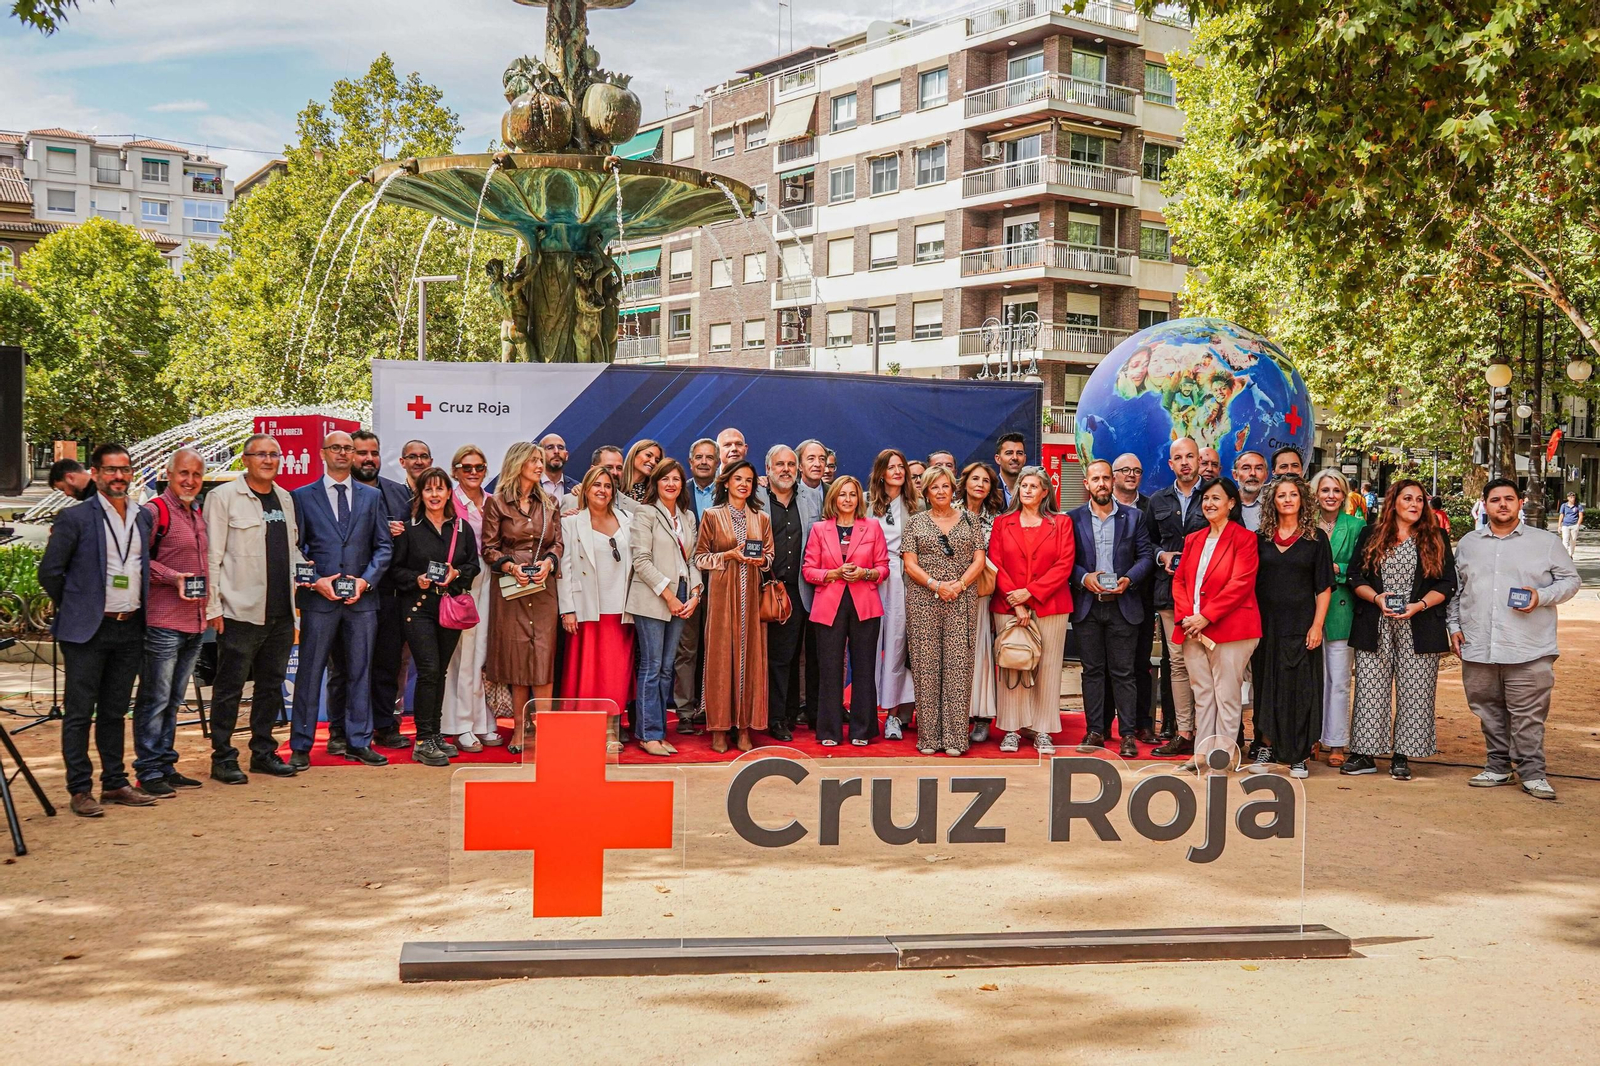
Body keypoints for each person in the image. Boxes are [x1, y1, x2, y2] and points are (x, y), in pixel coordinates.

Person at [37, 443, 157, 815]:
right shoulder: (75, 518)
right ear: (96, 473)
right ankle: (79, 789)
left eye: (124, 469)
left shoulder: (142, 517)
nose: (118, 476)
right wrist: (79, 606)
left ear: (131, 473)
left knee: (115, 710)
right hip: (87, 632)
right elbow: (50, 573)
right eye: (110, 470)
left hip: (129, 628)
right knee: (78, 713)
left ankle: (115, 783)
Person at [1450, 479, 1580, 800]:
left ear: (1520, 503)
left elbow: (1571, 580)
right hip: (1479, 644)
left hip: (1529, 646)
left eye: (1509, 499)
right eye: (1496, 500)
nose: (1503, 505)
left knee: (1528, 715)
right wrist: (1453, 626)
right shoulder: (1469, 543)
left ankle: (1533, 772)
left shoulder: (1545, 542)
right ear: (1485, 504)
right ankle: (1498, 766)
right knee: (1487, 709)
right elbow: (1455, 591)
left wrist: (1542, 595)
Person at [203, 435, 306, 784]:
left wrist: (311, 576)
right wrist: (213, 607)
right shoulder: (223, 498)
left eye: (274, 454)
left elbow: (292, 551)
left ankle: (263, 752)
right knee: (229, 687)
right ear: (244, 460)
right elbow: (211, 557)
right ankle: (223, 757)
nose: (268, 460)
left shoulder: (285, 498)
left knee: (270, 685)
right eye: (260, 454)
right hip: (239, 611)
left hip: (280, 611)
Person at [289, 431, 394, 769]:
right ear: (323, 453)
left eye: (348, 448)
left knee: (360, 671)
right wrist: (316, 582)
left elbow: (383, 546)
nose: (343, 453)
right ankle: (301, 746)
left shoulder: (371, 496)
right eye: (336, 447)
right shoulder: (302, 497)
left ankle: (358, 741)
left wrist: (366, 581)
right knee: (310, 671)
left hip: (361, 602)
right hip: (319, 601)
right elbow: (296, 548)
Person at [1342, 480, 1457, 781]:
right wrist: (1377, 598)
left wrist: (1419, 605)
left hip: (1418, 623)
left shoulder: (1436, 537)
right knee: (1369, 688)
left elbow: (1447, 583)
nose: (1415, 504)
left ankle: (1402, 756)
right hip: (1375, 623)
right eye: (1408, 498)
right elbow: (1356, 576)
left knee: (1415, 691)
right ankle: (1364, 753)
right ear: (1393, 502)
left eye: (1420, 499)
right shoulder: (1371, 534)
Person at [130, 448, 209, 797]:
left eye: (196, 474)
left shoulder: (198, 512)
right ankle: (147, 771)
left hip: (195, 621)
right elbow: (136, 559)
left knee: (175, 698)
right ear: (169, 473)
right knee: (155, 697)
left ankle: (165, 763)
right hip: (162, 619)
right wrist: (172, 576)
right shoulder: (154, 511)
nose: (190, 480)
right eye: (183, 474)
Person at [388, 467, 480, 766]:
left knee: (439, 670)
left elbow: (473, 566)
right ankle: (424, 739)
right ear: (421, 494)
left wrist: (456, 573)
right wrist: (418, 579)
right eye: (429, 490)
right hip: (418, 609)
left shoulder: (461, 529)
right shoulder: (409, 528)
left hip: (449, 607)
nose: (435, 495)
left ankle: (436, 733)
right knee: (428, 669)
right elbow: (396, 571)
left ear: (448, 492)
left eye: (440, 489)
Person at [1169, 477, 1261, 771]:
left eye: (1216, 498)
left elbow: (1241, 583)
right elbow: (1180, 580)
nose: (1209, 504)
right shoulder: (1193, 539)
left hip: (1231, 628)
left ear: (1231, 503)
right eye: (1206, 498)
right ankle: (1201, 753)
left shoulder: (1244, 539)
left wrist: (1206, 616)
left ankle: (1223, 755)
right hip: (1191, 628)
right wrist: (1186, 617)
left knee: (1227, 694)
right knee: (1202, 693)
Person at [332, 429, 415, 753]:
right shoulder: (338, 494)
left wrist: (401, 534)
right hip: (348, 594)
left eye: (374, 453)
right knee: (343, 668)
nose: (368, 459)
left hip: (390, 595)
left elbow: (413, 546)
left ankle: (385, 726)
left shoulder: (398, 494)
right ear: (349, 456)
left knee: (387, 665)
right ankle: (339, 730)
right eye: (361, 452)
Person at [1246, 476, 1333, 779]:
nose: (1287, 500)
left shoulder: (1316, 539)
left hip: (1301, 626)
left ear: (1302, 500)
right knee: (1266, 688)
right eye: (1281, 495)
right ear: (1272, 501)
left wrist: (1317, 625)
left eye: (1292, 494)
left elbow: (1324, 588)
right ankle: (1266, 746)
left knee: (1300, 690)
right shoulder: (1260, 539)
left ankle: (1298, 754)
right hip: (1265, 626)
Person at [1068, 459, 1155, 759]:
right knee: (1092, 672)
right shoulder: (1073, 519)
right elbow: (1066, 562)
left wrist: (1129, 579)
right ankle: (1095, 731)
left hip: (1123, 604)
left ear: (1113, 481)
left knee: (1124, 673)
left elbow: (1145, 556)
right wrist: (1083, 577)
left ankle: (1127, 735)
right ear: (1087, 484)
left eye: (1106, 478)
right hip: (1087, 606)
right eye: (1096, 479)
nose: (1102, 483)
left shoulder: (1134, 518)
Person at [481, 441, 564, 754]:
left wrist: (548, 563)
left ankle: (546, 731)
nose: (540, 465)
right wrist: (511, 566)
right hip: (511, 589)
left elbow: (557, 544)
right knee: (518, 661)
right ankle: (518, 730)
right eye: (534, 460)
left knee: (543, 657)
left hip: (543, 588)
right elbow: (488, 548)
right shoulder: (498, 503)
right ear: (517, 464)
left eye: (541, 461)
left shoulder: (550, 502)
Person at [990, 467, 1075, 754]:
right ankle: (1012, 729)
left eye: (1033, 486)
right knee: (1013, 666)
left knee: (1048, 669)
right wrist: (1018, 602)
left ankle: (1042, 730)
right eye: (1023, 485)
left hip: (1051, 605)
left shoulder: (1061, 523)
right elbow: (995, 563)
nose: (1026, 489)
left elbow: (1064, 564)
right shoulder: (1003, 523)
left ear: (1044, 492)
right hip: (1008, 605)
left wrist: (1031, 594)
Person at [903, 466, 986, 756]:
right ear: (925, 491)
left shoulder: (971, 520)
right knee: (926, 669)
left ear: (954, 490)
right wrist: (936, 585)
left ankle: (955, 739)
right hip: (923, 599)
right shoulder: (915, 522)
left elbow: (979, 559)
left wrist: (959, 585)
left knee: (957, 668)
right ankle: (928, 738)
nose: (940, 491)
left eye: (945, 486)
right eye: (934, 487)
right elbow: (909, 564)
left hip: (961, 600)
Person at [693, 459, 773, 752]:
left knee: (750, 658)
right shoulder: (712, 516)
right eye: (738, 478)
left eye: (749, 480)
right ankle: (718, 727)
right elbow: (699, 558)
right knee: (720, 658)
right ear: (726, 482)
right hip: (721, 596)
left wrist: (758, 560)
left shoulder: (761, 518)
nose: (743, 484)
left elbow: (770, 557)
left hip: (751, 598)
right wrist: (729, 556)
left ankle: (744, 728)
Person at [803, 476, 889, 746]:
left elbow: (884, 568)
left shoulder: (872, 527)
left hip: (864, 604)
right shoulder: (819, 529)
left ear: (859, 499)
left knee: (864, 668)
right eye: (843, 494)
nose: (848, 499)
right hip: (829, 604)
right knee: (829, 669)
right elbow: (808, 571)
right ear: (834, 499)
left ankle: (861, 730)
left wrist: (865, 572)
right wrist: (833, 573)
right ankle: (829, 731)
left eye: (853, 494)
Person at [558, 466, 636, 751]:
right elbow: (564, 569)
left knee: (616, 672)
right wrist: (567, 609)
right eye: (596, 486)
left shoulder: (628, 519)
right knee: (587, 673)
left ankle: (610, 731)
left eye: (607, 485)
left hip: (621, 609)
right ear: (586, 490)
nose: (602, 490)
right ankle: (581, 731)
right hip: (587, 607)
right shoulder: (571, 523)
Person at [628, 459, 701, 757]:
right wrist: (669, 595)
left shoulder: (687, 517)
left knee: (668, 669)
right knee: (652, 666)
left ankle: (658, 731)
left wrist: (695, 593)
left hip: (683, 593)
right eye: (664, 479)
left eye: (675, 479)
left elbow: (693, 560)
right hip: (653, 595)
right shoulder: (644, 513)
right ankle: (648, 735)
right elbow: (641, 561)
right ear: (655, 483)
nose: (670, 484)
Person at [1148, 438, 1208, 757]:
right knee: (1178, 662)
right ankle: (1184, 732)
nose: (1184, 462)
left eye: (1190, 456)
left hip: (1206, 598)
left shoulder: (1215, 496)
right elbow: (1147, 542)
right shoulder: (1158, 500)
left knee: (1207, 663)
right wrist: (1162, 556)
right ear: (1170, 465)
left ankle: (1208, 733)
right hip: (1170, 595)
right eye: (1177, 458)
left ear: (1199, 460)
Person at [441, 445, 501, 752]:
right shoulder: (448, 501)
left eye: (479, 467)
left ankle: (482, 720)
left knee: (480, 655)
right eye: (466, 467)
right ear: (455, 471)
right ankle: (460, 724)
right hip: (462, 583)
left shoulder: (493, 501)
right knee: (462, 657)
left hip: (491, 581)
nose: (473, 472)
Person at [760, 444, 816, 742]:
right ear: (767, 469)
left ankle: (786, 714)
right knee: (767, 657)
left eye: (791, 465)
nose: (785, 469)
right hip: (760, 589)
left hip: (797, 590)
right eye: (779, 464)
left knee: (791, 656)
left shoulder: (809, 500)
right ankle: (769, 716)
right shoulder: (755, 497)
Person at [1311, 469, 1365, 767]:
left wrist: (1336, 569)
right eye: (1325, 490)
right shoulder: (1305, 524)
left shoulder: (1356, 526)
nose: (1330, 495)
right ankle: (1312, 736)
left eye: (1336, 490)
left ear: (1344, 495)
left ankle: (1337, 742)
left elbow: (1364, 566)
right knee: (1313, 678)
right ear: (1316, 494)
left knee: (1340, 680)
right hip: (1309, 609)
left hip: (1342, 609)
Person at [868, 448, 921, 738]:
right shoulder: (866, 504)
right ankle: (866, 711)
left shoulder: (916, 505)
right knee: (870, 648)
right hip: (871, 580)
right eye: (892, 467)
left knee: (897, 648)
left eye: (901, 466)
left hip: (905, 580)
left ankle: (893, 715)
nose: (898, 471)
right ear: (881, 473)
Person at [1112, 452, 1161, 744]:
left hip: (1139, 597)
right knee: (1107, 666)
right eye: (1125, 470)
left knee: (1140, 663)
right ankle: (1103, 725)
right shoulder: (1098, 505)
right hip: (1101, 598)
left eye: (1137, 470)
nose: (1131, 475)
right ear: (1114, 475)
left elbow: (1153, 547)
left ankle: (1143, 724)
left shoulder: (1150, 507)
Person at [673, 437, 721, 731]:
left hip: (722, 581)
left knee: (719, 648)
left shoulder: (728, 492)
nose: (704, 462)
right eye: (698, 457)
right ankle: (685, 711)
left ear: (717, 463)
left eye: (709, 457)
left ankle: (714, 708)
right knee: (687, 649)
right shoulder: (679, 492)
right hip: (688, 582)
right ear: (690, 463)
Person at [959, 461, 1006, 742]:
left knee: (981, 654)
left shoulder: (996, 519)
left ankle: (982, 716)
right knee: (954, 656)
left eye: (985, 481)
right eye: (974, 479)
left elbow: (999, 559)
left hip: (981, 594)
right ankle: (955, 713)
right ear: (964, 482)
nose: (979, 484)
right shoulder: (946, 512)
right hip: (949, 593)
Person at [794, 438, 831, 728]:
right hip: (795, 585)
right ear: (799, 464)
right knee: (793, 652)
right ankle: (794, 708)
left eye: (821, 459)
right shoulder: (787, 493)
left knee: (823, 653)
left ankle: (821, 710)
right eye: (811, 458)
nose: (817, 464)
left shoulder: (835, 494)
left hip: (831, 586)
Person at [1232, 450, 1268, 532]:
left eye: (1258, 468)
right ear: (1235, 475)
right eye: (1246, 468)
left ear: (1266, 475)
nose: (1253, 473)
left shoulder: (1274, 503)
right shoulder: (1226, 504)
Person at [539, 433, 580, 499]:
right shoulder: (529, 485)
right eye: (550, 448)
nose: (556, 451)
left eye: (560, 448)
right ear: (540, 455)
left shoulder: (577, 488)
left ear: (566, 455)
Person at [621, 439, 662, 503]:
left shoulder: (653, 495)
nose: (653, 462)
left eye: (657, 461)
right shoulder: (614, 485)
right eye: (648, 455)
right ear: (634, 454)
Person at [994, 432, 1027, 507]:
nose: (1015, 457)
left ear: (1024, 459)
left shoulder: (1031, 491)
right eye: (1009, 453)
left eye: (1019, 453)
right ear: (998, 459)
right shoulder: (990, 490)